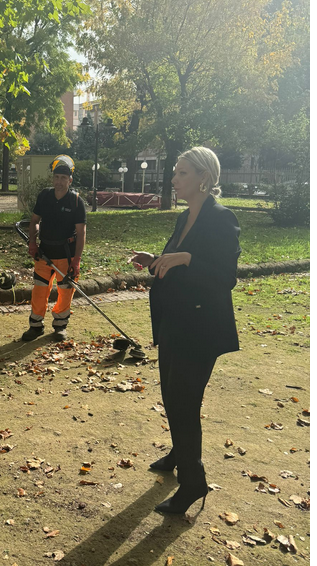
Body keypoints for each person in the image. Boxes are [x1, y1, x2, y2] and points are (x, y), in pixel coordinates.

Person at [129, 147, 241, 515]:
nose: (174, 179)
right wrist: (158, 260)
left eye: (182, 173)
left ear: (203, 178)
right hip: (173, 321)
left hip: (201, 328)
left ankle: (194, 482)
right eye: (175, 173)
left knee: (184, 401)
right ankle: (180, 452)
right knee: (172, 396)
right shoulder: (184, 218)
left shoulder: (222, 219)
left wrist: (187, 258)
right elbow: (175, 262)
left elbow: (225, 277)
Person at [23, 155, 87, 342]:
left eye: (63, 178)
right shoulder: (44, 196)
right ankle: (35, 325)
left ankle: (60, 325)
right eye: (56, 177)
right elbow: (35, 221)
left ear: (70, 180)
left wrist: (76, 260)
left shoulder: (76, 202)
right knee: (39, 289)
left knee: (66, 291)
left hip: (66, 255)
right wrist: (33, 243)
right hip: (44, 253)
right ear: (53, 178)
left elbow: (81, 233)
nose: (59, 182)